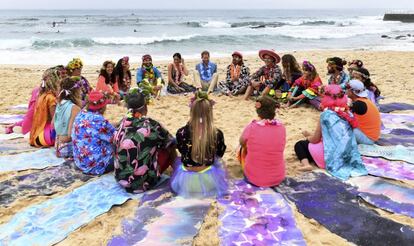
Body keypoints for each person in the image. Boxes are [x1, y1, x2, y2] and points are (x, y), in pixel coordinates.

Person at [294, 84, 367, 180]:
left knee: (300, 145)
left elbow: (315, 139)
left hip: (329, 157)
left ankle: (306, 164)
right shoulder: (348, 113)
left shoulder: (326, 115)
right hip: (346, 155)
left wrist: (307, 138)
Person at [114, 92, 177, 193]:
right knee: (169, 146)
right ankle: (178, 171)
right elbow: (172, 142)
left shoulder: (121, 123)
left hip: (120, 179)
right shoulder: (151, 125)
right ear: (146, 107)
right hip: (144, 184)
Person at [171, 91, 228, 198]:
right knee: (220, 164)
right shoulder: (217, 133)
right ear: (210, 112)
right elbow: (220, 154)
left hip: (185, 182)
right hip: (209, 181)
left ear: (191, 111)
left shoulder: (181, 132)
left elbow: (181, 150)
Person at [239, 96, 286, 187]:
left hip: (254, 179)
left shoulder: (252, 127)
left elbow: (241, 142)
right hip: (278, 178)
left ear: (258, 111)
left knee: (242, 148)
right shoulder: (281, 127)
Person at [5, 65, 66, 135]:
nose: (64, 76)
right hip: (35, 128)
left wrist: (17, 123)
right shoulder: (50, 97)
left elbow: (31, 111)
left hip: (33, 126)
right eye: (62, 74)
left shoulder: (41, 91)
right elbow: (54, 121)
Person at [72, 90, 115, 175]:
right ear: (102, 107)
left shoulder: (81, 114)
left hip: (80, 162)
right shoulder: (99, 120)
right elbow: (115, 138)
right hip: (95, 166)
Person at [29, 67, 62, 147]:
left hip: (35, 135)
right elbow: (55, 121)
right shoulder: (51, 98)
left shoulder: (41, 95)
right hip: (44, 137)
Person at [53, 77, 82, 158]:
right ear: (76, 92)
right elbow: (70, 134)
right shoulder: (75, 108)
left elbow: (53, 124)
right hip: (66, 148)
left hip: (58, 145)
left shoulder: (59, 103)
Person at [347, 79, 381, 145]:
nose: (345, 91)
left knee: (343, 127)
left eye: (347, 89)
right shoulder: (364, 101)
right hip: (371, 136)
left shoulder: (358, 104)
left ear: (352, 91)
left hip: (368, 139)